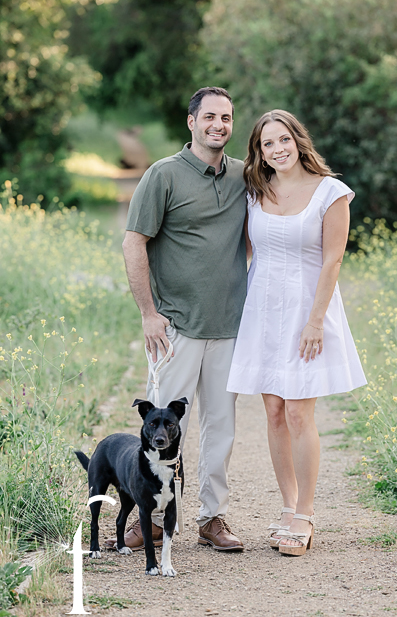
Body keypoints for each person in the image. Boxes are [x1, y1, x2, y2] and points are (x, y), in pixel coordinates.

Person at [226, 110, 367, 557]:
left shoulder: (331, 192)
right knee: (272, 412)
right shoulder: (256, 190)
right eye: (268, 144)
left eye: (283, 139)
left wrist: (314, 321)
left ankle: (305, 514)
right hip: (263, 309)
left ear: (297, 141)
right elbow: (248, 252)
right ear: (259, 152)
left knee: (300, 414)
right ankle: (286, 507)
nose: (277, 149)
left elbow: (333, 261)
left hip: (308, 310)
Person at [118, 86, 247, 552]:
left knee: (222, 428)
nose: (219, 124)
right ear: (191, 122)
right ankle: (151, 519)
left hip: (230, 326)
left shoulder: (243, 176)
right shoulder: (163, 175)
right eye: (210, 116)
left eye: (227, 118)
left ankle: (213, 518)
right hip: (174, 328)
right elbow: (135, 242)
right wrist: (148, 313)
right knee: (162, 429)